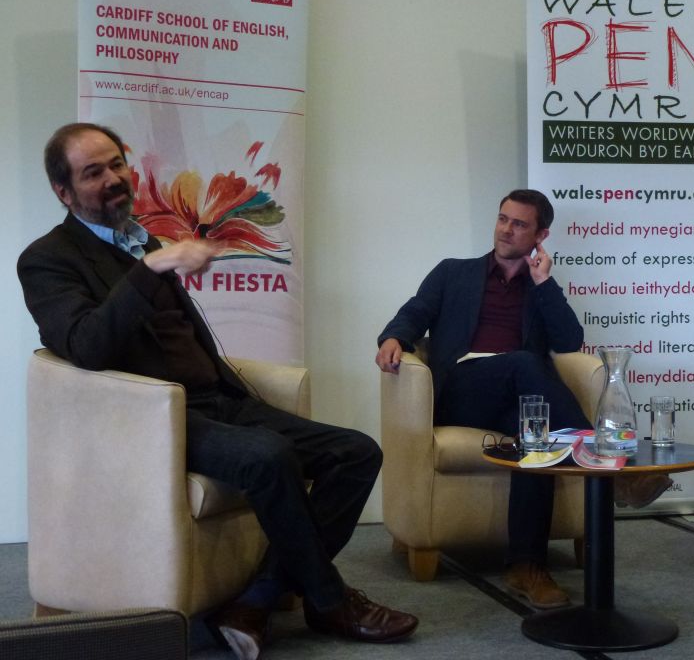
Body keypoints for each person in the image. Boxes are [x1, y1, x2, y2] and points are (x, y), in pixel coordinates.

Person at [17, 123, 418, 660]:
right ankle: (329, 599)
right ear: (63, 192)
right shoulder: (48, 258)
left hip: (218, 400)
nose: (114, 179)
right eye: (93, 172)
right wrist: (150, 267)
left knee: (356, 452)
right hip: (154, 416)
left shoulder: (142, 239)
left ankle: (257, 597)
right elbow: (85, 345)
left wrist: (151, 258)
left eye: (117, 164)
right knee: (269, 457)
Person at [375, 189, 670, 609]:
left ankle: (525, 566)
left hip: (517, 396)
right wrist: (392, 338)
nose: (506, 230)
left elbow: (570, 341)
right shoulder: (453, 273)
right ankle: (616, 468)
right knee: (525, 363)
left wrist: (544, 282)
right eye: (503, 219)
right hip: (462, 388)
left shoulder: (540, 286)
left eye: (519, 224)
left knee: (537, 437)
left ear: (540, 235)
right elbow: (414, 312)